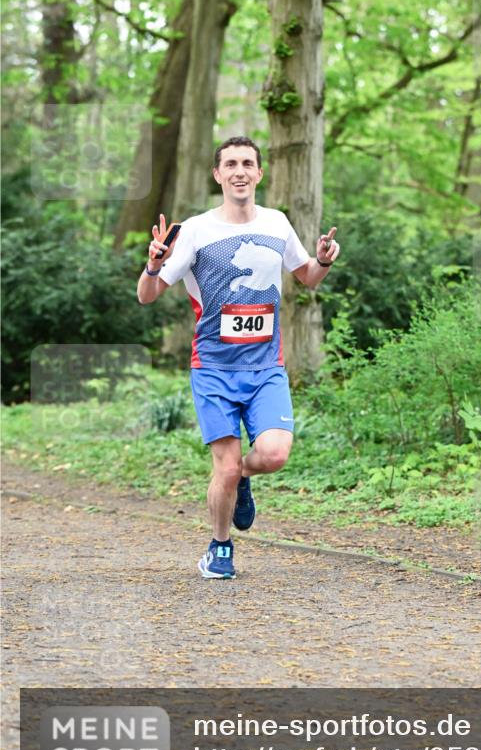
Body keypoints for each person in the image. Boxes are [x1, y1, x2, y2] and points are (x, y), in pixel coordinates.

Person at [137, 136, 339, 580]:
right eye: (230, 164)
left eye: (248, 163)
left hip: (266, 367)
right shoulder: (195, 231)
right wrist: (152, 265)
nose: (240, 171)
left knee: (274, 455)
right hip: (213, 369)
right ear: (218, 175)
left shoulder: (277, 223)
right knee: (223, 468)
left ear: (259, 173)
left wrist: (323, 261)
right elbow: (147, 295)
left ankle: (241, 477)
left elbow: (307, 277)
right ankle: (219, 546)